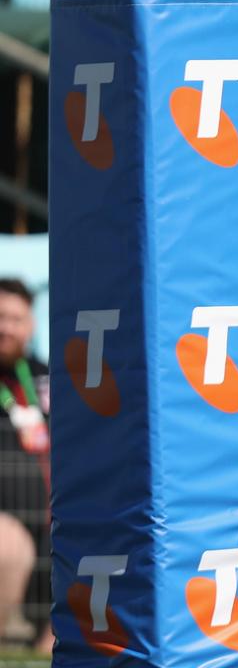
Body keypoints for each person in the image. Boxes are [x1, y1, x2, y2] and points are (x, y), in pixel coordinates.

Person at [0, 278, 51, 652]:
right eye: (0, 317)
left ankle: (48, 647)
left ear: (31, 325)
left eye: (16, 319)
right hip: (9, 523)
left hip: (56, 520)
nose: (6, 327)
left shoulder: (48, 375)